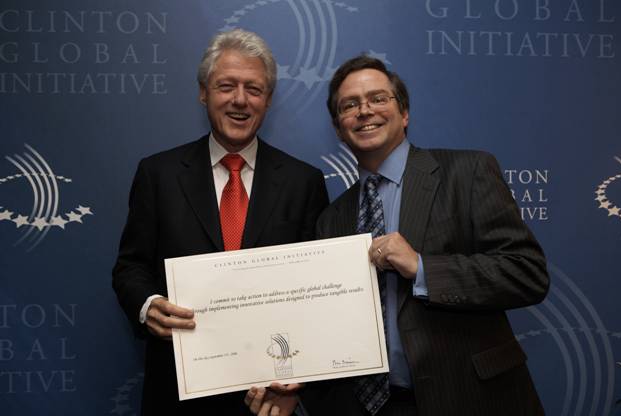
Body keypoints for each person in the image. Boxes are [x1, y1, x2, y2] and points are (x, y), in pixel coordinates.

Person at [245, 55, 549, 415]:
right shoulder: (332, 218)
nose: (364, 111)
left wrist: (422, 267)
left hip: (470, 398)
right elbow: (327, 323)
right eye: (350, 105)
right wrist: (294, 378)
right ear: (339, 128)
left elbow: (527, 273)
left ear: (404, 113)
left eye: (377, 98)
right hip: (371, 406)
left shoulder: (467, 173)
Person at [112, 29, 329, 415]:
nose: (240, 100)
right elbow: (131, 266)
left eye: (254, 89)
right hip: (177, 392)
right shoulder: (158, 174)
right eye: (226, 86)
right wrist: (148, 305)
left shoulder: (304, 182)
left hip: (268, 398)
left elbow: (315, 293)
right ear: (203, 92)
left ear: (269, 100)